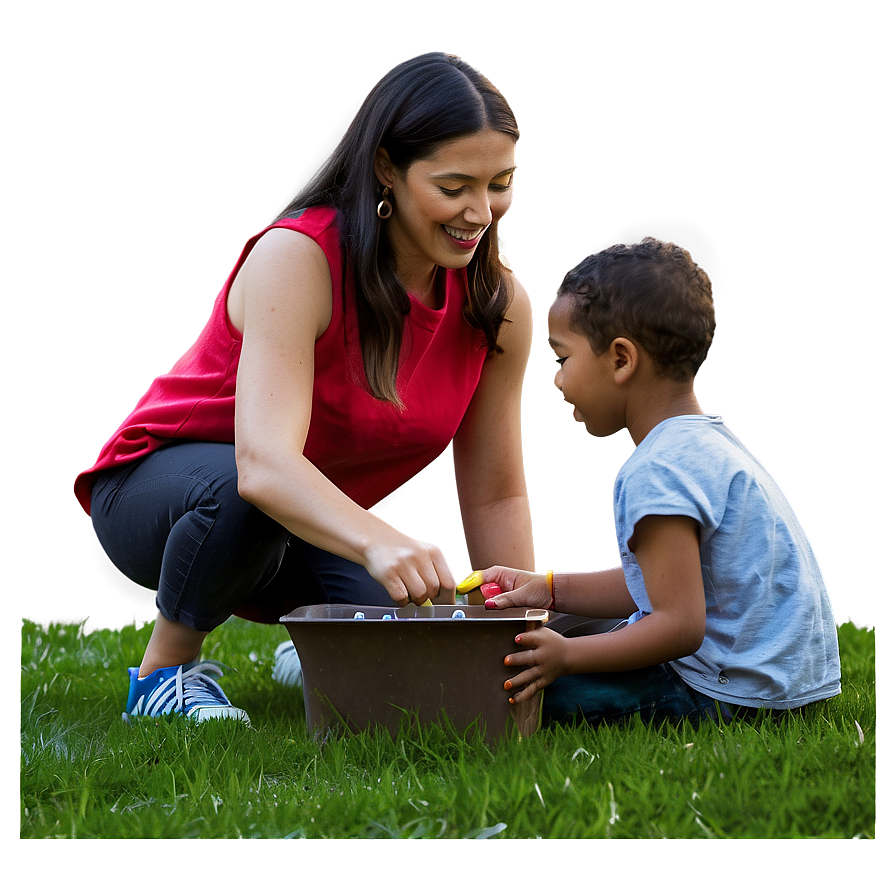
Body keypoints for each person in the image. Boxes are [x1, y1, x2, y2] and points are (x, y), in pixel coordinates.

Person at [74, 51, 534, 724]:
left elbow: (499, 492)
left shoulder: (496, 302)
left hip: (296, 520)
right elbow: (262, 463)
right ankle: (161, 676)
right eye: (455, 185)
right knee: (246, 489)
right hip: (164, 495)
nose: (480, 212)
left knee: (397, 650)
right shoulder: (298, 258)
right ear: (387, 169)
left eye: (501, 183)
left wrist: (520, 621)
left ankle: (314, 645)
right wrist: (376, 539)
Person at [478, 238, 841, 725]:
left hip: (724, 694)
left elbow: (677, 626)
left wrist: (567, 656)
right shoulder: (709, 445)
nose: (557, 381)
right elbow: (659, 587)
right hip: (786, 688)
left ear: (621, 360)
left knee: (509, 690)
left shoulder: (657, 470)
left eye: (563, 360)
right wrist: (548, 588)